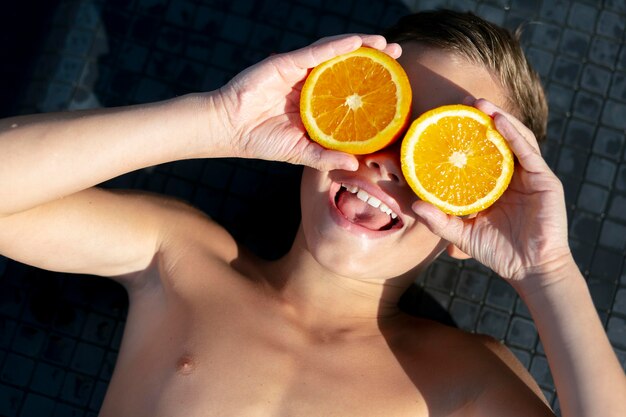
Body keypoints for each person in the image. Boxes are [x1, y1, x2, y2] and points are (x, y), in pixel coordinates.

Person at [0, 9, 624, 417]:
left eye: (438, 157)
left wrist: (547, 269)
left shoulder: (465, 379)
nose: (386, 164)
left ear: (475, 219)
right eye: (378, 120)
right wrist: (219, 122)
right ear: (325, 111)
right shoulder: (187, 261)